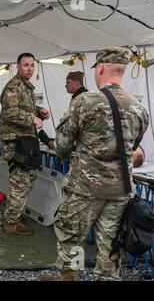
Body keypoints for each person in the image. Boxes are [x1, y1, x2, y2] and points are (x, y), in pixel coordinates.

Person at [41, 47, 149, 281]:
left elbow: (61, 145)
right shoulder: (139, 109)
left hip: (85, 187)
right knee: (110, 240)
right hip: (120, 189)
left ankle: (70, 275)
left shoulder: (84, 102)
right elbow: (133, 149)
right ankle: (107, 277)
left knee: (73, 234)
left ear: (100, 68)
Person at [0, 52, 50, 236]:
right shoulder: (14, 86)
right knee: (20, 183)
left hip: (25, 141)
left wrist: (39, 111)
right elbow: (10, 113)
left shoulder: (26, 87)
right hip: (15, 142)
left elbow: (23, 107)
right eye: (25, 65)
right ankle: (11, 224)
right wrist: (32, 118)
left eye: (32, 65)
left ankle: (14, 216)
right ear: (18, 66)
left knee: (29, 179)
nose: (29, 69)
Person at [38, 71, 88, 150]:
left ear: (76, 83)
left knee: (58, 147)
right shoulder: (84, 96)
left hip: (80, 145)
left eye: (68, 82)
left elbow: (72, 124)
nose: (65, 85)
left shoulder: (80, 99)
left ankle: (46, 139)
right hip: (82, 141)